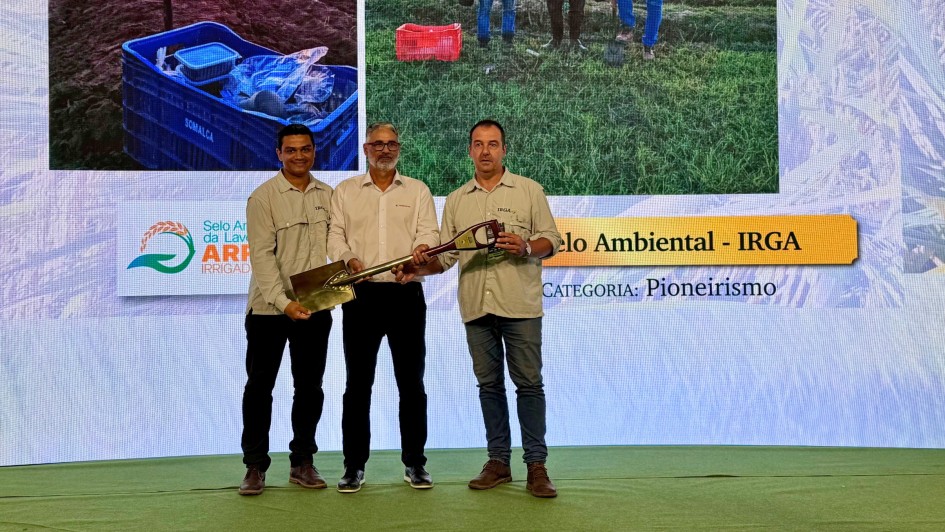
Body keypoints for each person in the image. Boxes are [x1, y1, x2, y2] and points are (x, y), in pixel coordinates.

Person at [398, 119, 562, 498]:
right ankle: (498, 463)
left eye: (493, 144)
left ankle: (536, 466)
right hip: (476, 307)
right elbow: (446, 257)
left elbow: (551, 240)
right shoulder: (457, 200)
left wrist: (524, 246)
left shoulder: (529, 190)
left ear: (504, 150)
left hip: (520, 305)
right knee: (489, 387)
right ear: (470, 150)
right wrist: (417, 265)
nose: (485, 151)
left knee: (529, 385)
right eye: (478, 144)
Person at [327, 122, 440, 493]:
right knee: (358, 386)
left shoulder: (419, 190)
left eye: (392, 144)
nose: (385, 150)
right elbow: (335, 236)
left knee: (412, 384)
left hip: (405, 295)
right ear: (365, 149)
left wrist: (421, 252)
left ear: (399, 148)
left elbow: (429, 234)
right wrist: (348, 259)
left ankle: (415, 464)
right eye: (378, 144)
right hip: (361, 296)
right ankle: (353, 466)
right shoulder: (345, 191)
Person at [239, 124, 334, 496]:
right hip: (268, 310)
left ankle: (303, 462)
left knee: (310, 388)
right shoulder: (263, 198)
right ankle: (254, 466)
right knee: (259, 388)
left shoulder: (328, 195)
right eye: (291, 150)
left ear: (314, 152)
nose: (299, 156)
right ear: (278, 153)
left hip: (314, 306)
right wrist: (284, 303)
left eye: (305, 149)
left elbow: (338, 244)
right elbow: (261, 259)